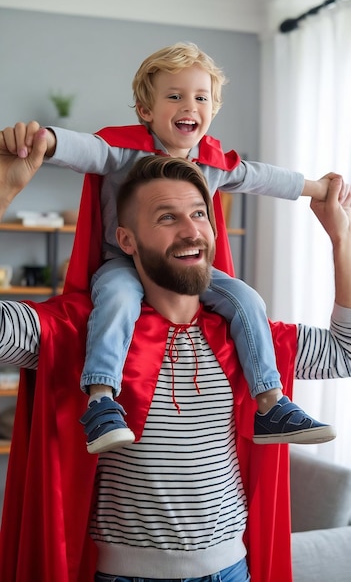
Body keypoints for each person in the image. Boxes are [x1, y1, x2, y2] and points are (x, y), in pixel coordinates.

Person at [0, 142, 351, 582]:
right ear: (126, 239)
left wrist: (342, 237)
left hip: (231, 571)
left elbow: (344, 352)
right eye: (167, 217)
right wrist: (2, 191)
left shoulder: (248, 338)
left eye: (199, 214)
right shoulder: (84, 333)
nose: (191, 231)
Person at [1, 42, 338, 454]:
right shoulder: (122, 150)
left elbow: (263, 177)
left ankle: (269, 401)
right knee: (118, 298)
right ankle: (102, 399)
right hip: (124, 263)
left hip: (189, 269)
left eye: (201, 97)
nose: (189, 105)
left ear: (213, 110)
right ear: (147, 111)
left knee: (246, 298)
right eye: (174, 96)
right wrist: (43, 140)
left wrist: (320, 189)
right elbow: (82, 149)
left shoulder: (213, 163)